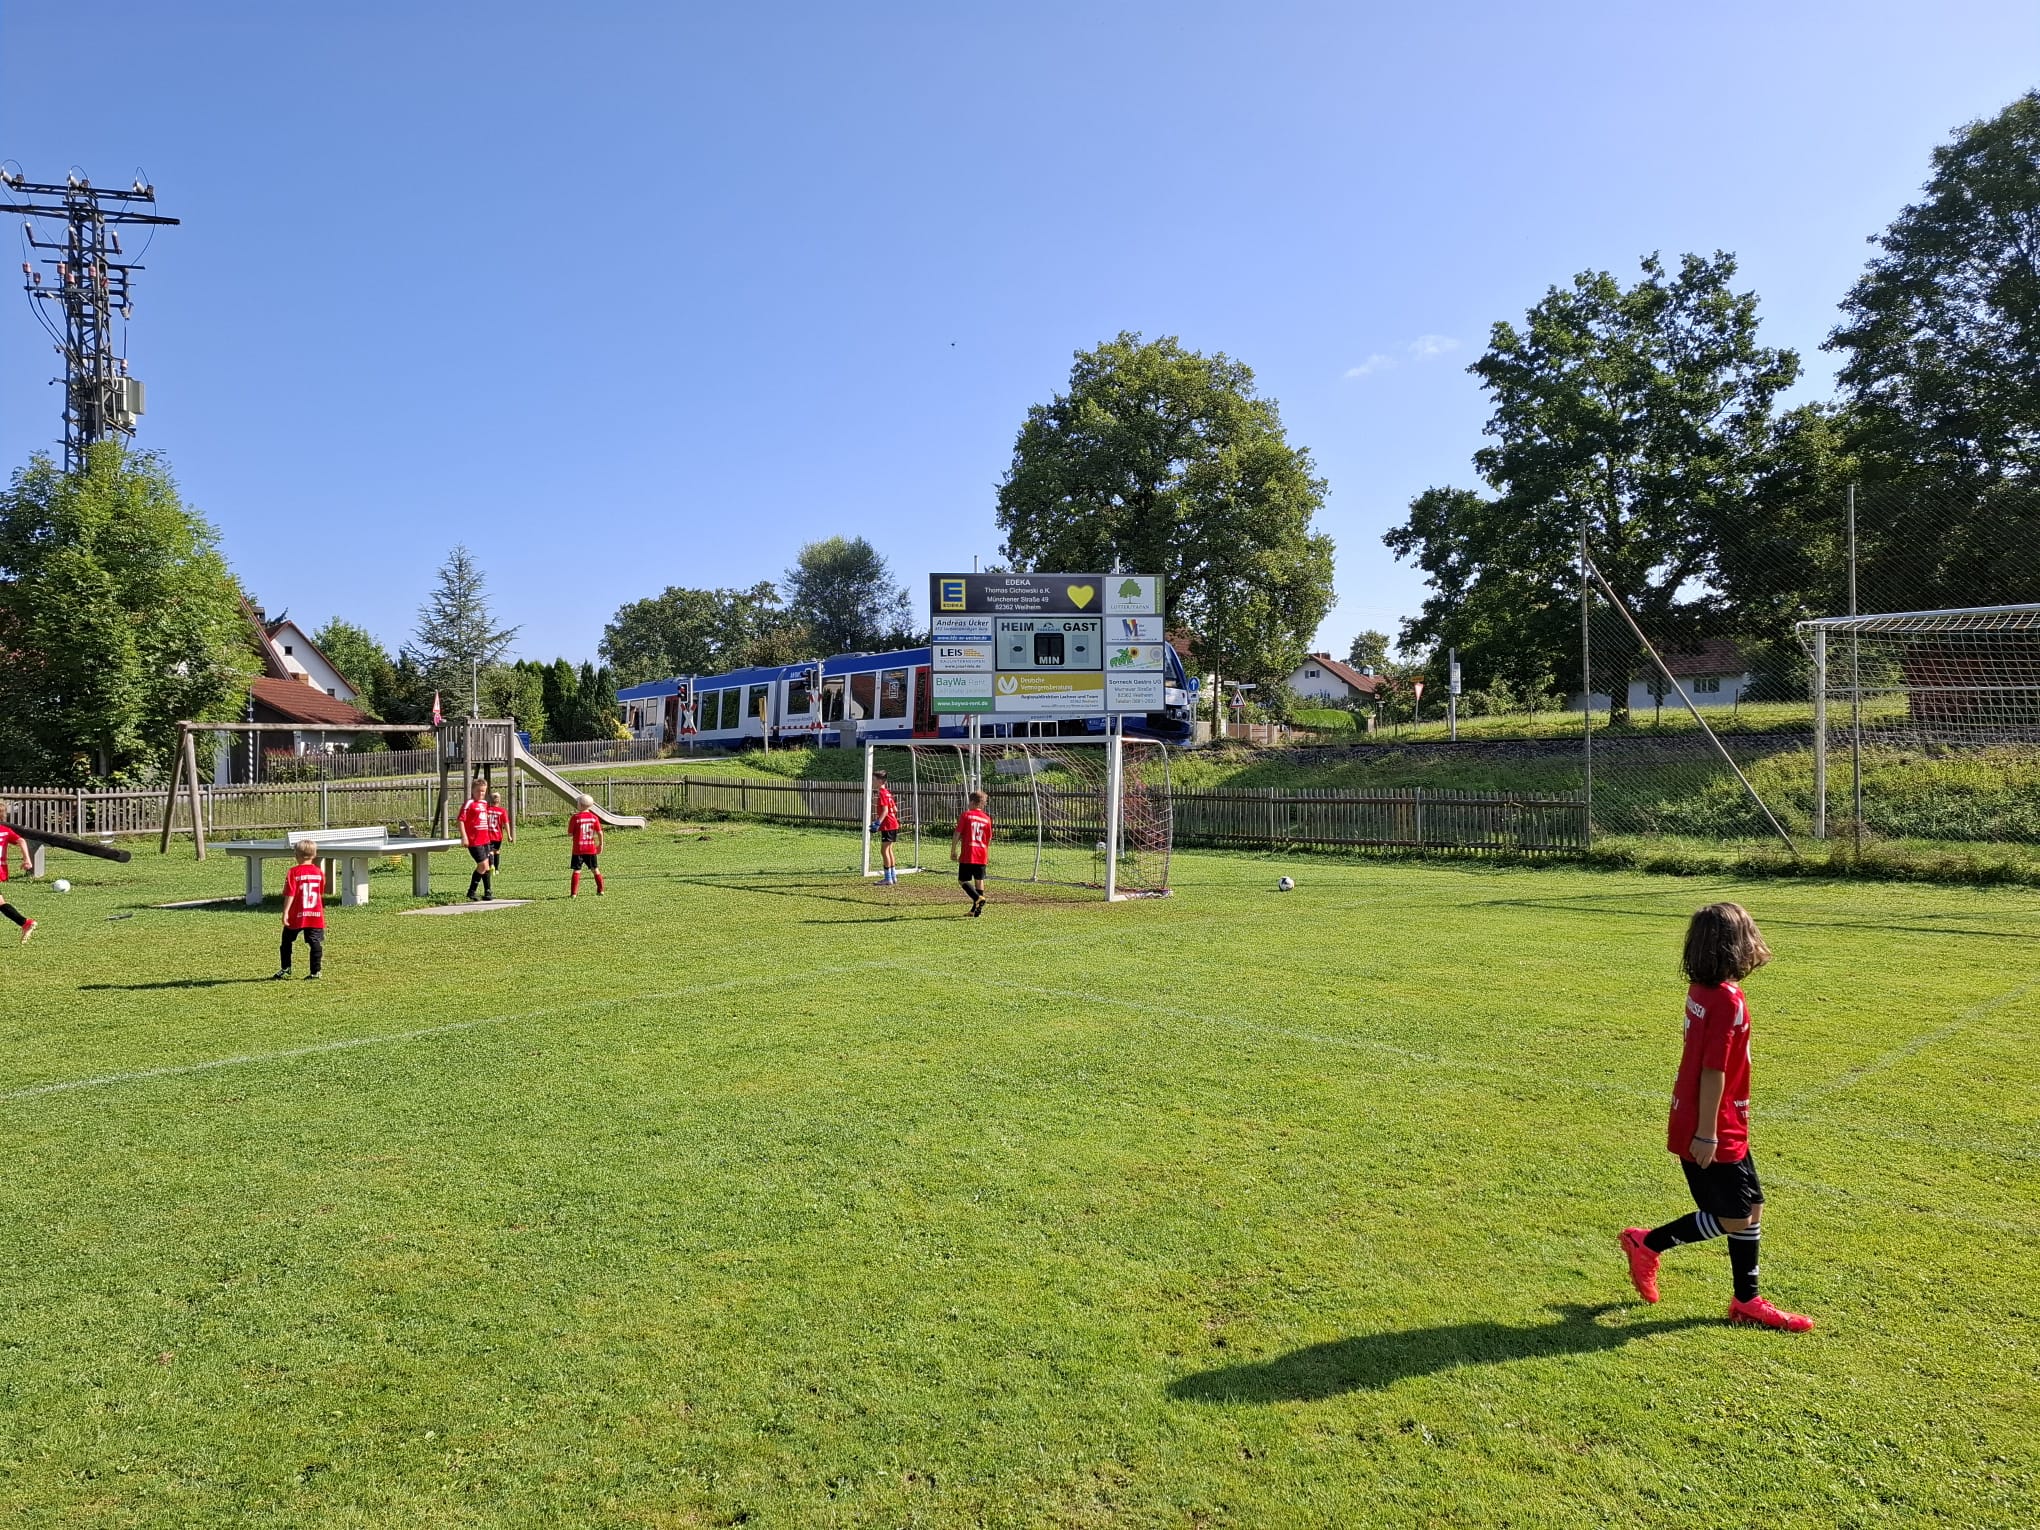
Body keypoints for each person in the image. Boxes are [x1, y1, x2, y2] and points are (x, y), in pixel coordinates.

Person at [1619, 902, 1813, 1331]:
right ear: (1736, 945)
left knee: (1753, 1206)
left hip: (1724, 1118)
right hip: (1712, 1123)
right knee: (1734, 1217)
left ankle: (1747, 1301)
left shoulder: (1703, 989)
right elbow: (1713, 1069)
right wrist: (1707, 1133)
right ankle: (1647, 1243)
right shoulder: (1725, 999)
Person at [273, 839, 326, 980]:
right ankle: (316, 972)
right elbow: (320, 891)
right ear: (314, 855)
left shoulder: (294, 872)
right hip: (315, 914)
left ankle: (286, 968)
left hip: (297, 913)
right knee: (315, 942)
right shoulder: (319, 872)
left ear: (296, 855)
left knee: (286, 941)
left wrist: (285, 912)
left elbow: (290, 893)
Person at [952, 789, 993, 917]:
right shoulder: (987, 819)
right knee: (979, 880)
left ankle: (977, 898)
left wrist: (953, 850)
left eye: (969, 802)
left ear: (973, 802)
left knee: (962, 880)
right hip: (982, 853)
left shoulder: (966, 815)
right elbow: (989, 838)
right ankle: (975, 910)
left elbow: (957, 834)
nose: (968, 804)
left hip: (969, 852)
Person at [0, 801, 36, 944]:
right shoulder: (4, 830)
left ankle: (25, 922)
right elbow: (21, 840)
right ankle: (25, 923)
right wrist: (27, 859)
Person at [458, 780, 495, 902]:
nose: (481, 793)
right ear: (473, 791)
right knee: (483, 865)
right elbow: (461, 820)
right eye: (478, 791)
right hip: (474, 840)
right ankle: (471, 891)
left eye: (483, 791)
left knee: (487, 866)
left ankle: (488, 891)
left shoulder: (484, 803)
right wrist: (464, 836)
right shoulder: (469, 803)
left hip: (485, 839)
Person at [568, 793, 605, 897]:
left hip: (578, 849)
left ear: (580, 805)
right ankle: (601, 890)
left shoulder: (575, 818)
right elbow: (600, 832)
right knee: (595, 869)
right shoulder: (594, 818)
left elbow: (570, 834)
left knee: (577, 870)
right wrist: (600, 845)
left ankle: (573, 894)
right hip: (591, 849)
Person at [872, 770, 902, 885]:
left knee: (884, 850)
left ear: (880, 781)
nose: (872, 782)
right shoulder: (888, 793)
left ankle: (887, 878)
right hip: (893, 824)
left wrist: (878, 823)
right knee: (889, 850)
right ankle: (893, 877)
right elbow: (895, 809)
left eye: (874, 780)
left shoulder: (882, 793)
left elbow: (885, 811)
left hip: (888, 825)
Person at [485, 787, 510, 872]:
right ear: (499, 801)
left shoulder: (487, 810)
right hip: (498, 835)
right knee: (497, 851)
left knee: (490, 851)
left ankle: (491, 865)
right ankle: (497, 869)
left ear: (490, 800)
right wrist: (509, 835)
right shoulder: (502, 811)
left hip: (488, 835)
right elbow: (506, 823)